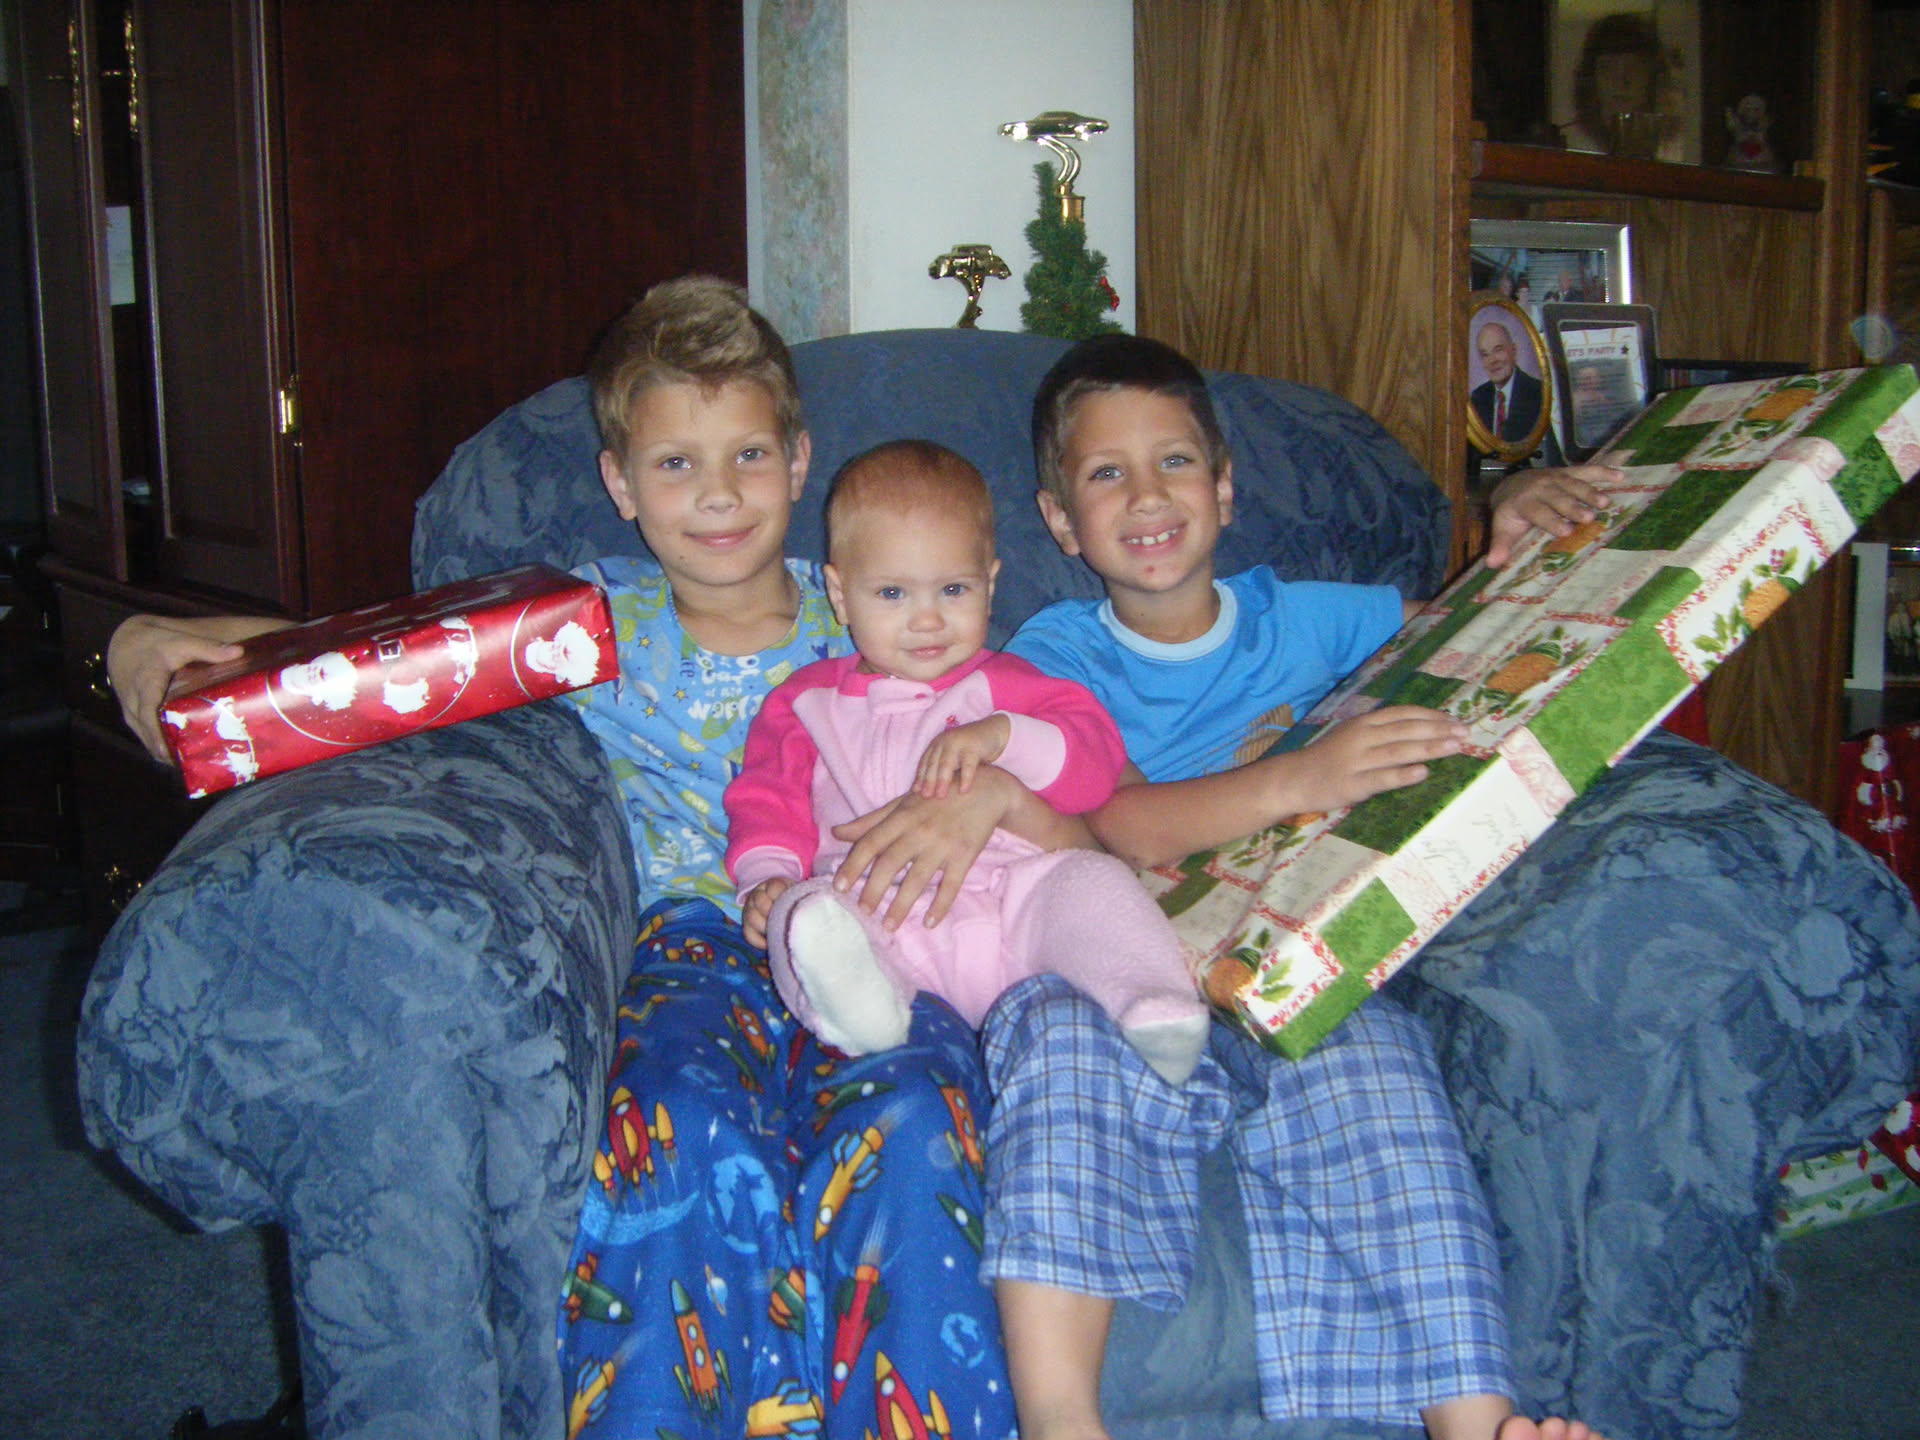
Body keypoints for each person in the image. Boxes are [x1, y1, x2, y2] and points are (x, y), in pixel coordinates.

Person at [104, 277, 1042, 1440]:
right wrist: (145, 636)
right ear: (620, 484)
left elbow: (1048, 725)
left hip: (886, 942)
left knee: (918, 1122)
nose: (718, 495)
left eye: (749, 456)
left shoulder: (876, 605)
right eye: (676, 464)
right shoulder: (585, 621)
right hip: (691, 945)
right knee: (673, 1123)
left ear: (798, 462)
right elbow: (370, 659)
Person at [980, 331, 1613, 1440]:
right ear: (1060, 520)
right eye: (1106, 473)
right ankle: (1062, 1419)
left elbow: (1473, 635)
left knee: (1376, 1068)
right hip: (1113, 963)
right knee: (1059, 1054)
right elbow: (1121, 823)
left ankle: (1480, 1423)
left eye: (1176, 462)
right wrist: (1300, 779)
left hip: (1291, 957)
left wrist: (1506, 523)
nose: (1147, 496)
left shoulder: (1308, 617)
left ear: (1225, 489)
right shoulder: (1052, 655)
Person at [725, 438, 1209, 1089]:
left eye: (953, 589)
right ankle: (862, 1009)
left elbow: (1096, 764)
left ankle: (1150, 1003)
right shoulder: (806, 704)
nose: (927, 620)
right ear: (840, 594)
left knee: (1092, 883)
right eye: (892, 593)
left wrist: (1005, 737)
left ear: (990, 583)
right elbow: (767, 799)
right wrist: (768, 878)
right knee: (806, 915)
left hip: (1016, 903)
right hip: (875, 910)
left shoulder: (1012, 685)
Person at [1471, 318, 1545, 446]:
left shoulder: (1538, 393)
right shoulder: (1478, 397)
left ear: (1514, 351)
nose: (1492, 360)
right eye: (1485, 354)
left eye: (1498, 350)